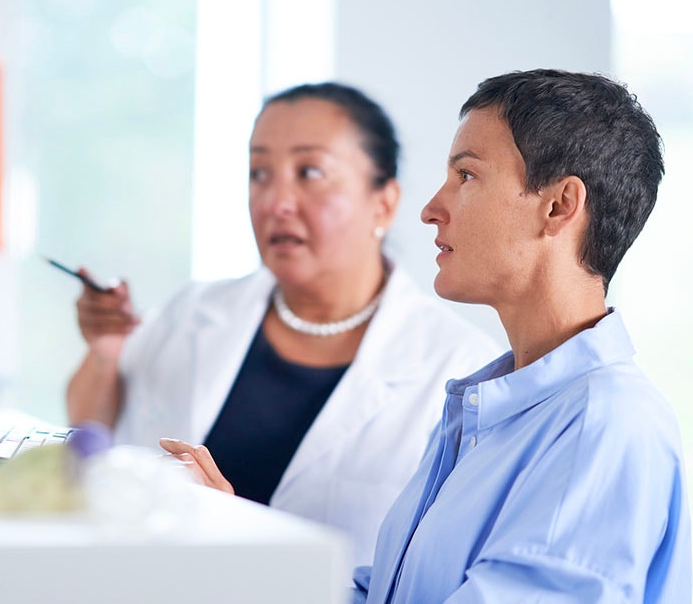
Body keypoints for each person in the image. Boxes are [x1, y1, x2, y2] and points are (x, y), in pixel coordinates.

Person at [66, 82, 499, 567]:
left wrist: (228, 529)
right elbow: (90, 436)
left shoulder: (463, 370)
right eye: (259, 173)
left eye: (309, 172)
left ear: (384, 202)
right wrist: (106, 352)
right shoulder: (195, 312)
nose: (276, 202)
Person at [353, 70, 691, 603]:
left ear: (558, 205)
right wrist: (239, 538)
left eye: (465, 176)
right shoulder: (485, 413)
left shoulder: (604, 424)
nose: (430, 209)